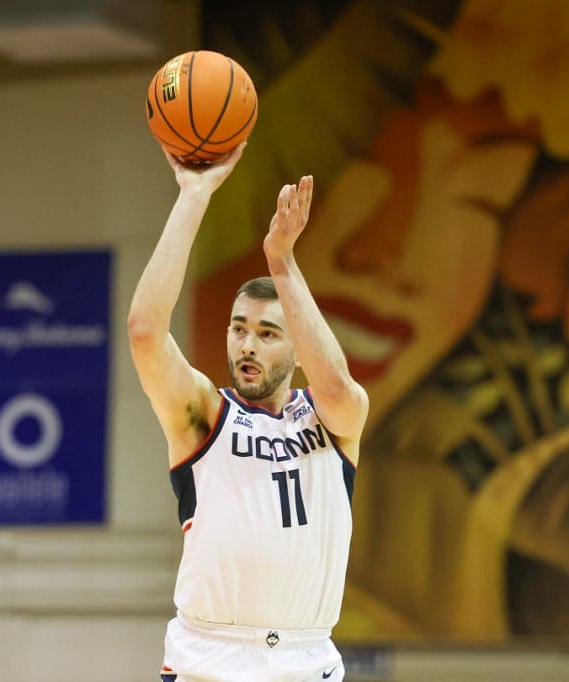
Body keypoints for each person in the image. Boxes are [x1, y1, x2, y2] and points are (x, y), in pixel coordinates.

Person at [127, 141, 369, 682]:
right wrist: (194, 193)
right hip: (210, 657)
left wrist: (282, 261)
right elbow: (145, 332)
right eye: (238, 329)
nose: (246, 346)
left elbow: (335, 384)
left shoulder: (335, 419)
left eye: (266, 333)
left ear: (298, 349)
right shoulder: (204, 415)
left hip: (309, 659)